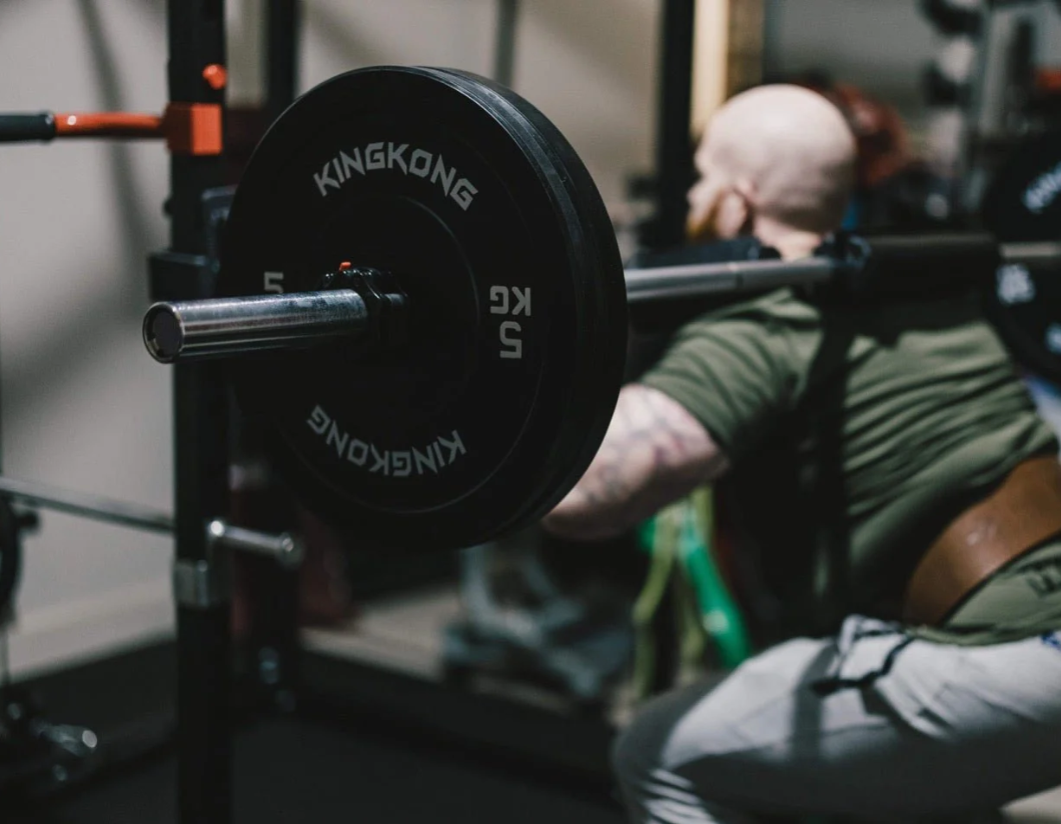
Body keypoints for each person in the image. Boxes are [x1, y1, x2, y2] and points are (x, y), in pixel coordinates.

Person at [543, 84, 1061, 823]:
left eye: (701, 178)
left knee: (657, 756)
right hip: (1034, 635)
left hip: (998, 663)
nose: (691, 196)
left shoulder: (762, 328)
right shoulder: (927, 285)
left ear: (736, 201)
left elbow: (576, 498)